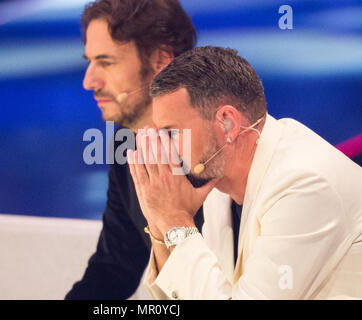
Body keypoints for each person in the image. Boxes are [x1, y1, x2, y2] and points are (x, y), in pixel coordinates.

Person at [127, 46, 362, 299]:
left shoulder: (305, 183)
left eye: (172, 133)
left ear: (227, 122)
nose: (167, 150)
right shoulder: (221, 185)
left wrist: (175, 219)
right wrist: (159, 220)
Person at [65, 0, 200, 299]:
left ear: (161, 60)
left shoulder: (217, 150)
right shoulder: (126, 138)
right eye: (90, 61)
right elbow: (115, 266)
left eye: (106, 62)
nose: (89, 82)